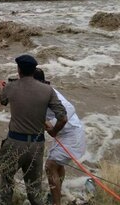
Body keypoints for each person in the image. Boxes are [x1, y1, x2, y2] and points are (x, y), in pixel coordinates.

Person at [0, 54, 68, 205]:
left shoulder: (11, 87)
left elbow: (2, 100)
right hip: (37, 146)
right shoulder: (48, 90)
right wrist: (54, 132)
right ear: (34, 70)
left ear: (19, 70)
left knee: (6, 183)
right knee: (34, 190)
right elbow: (63, 118)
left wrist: (0, 88)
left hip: (14, 143)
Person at [33, 68, 86, 205]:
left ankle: (56, 203)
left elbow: (69, 109)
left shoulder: (50, 93)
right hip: (64, 133)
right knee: (57, 165)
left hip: (72, 134)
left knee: (50, 166)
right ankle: (57, 195)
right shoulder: (39, 92)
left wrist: (54, 129)